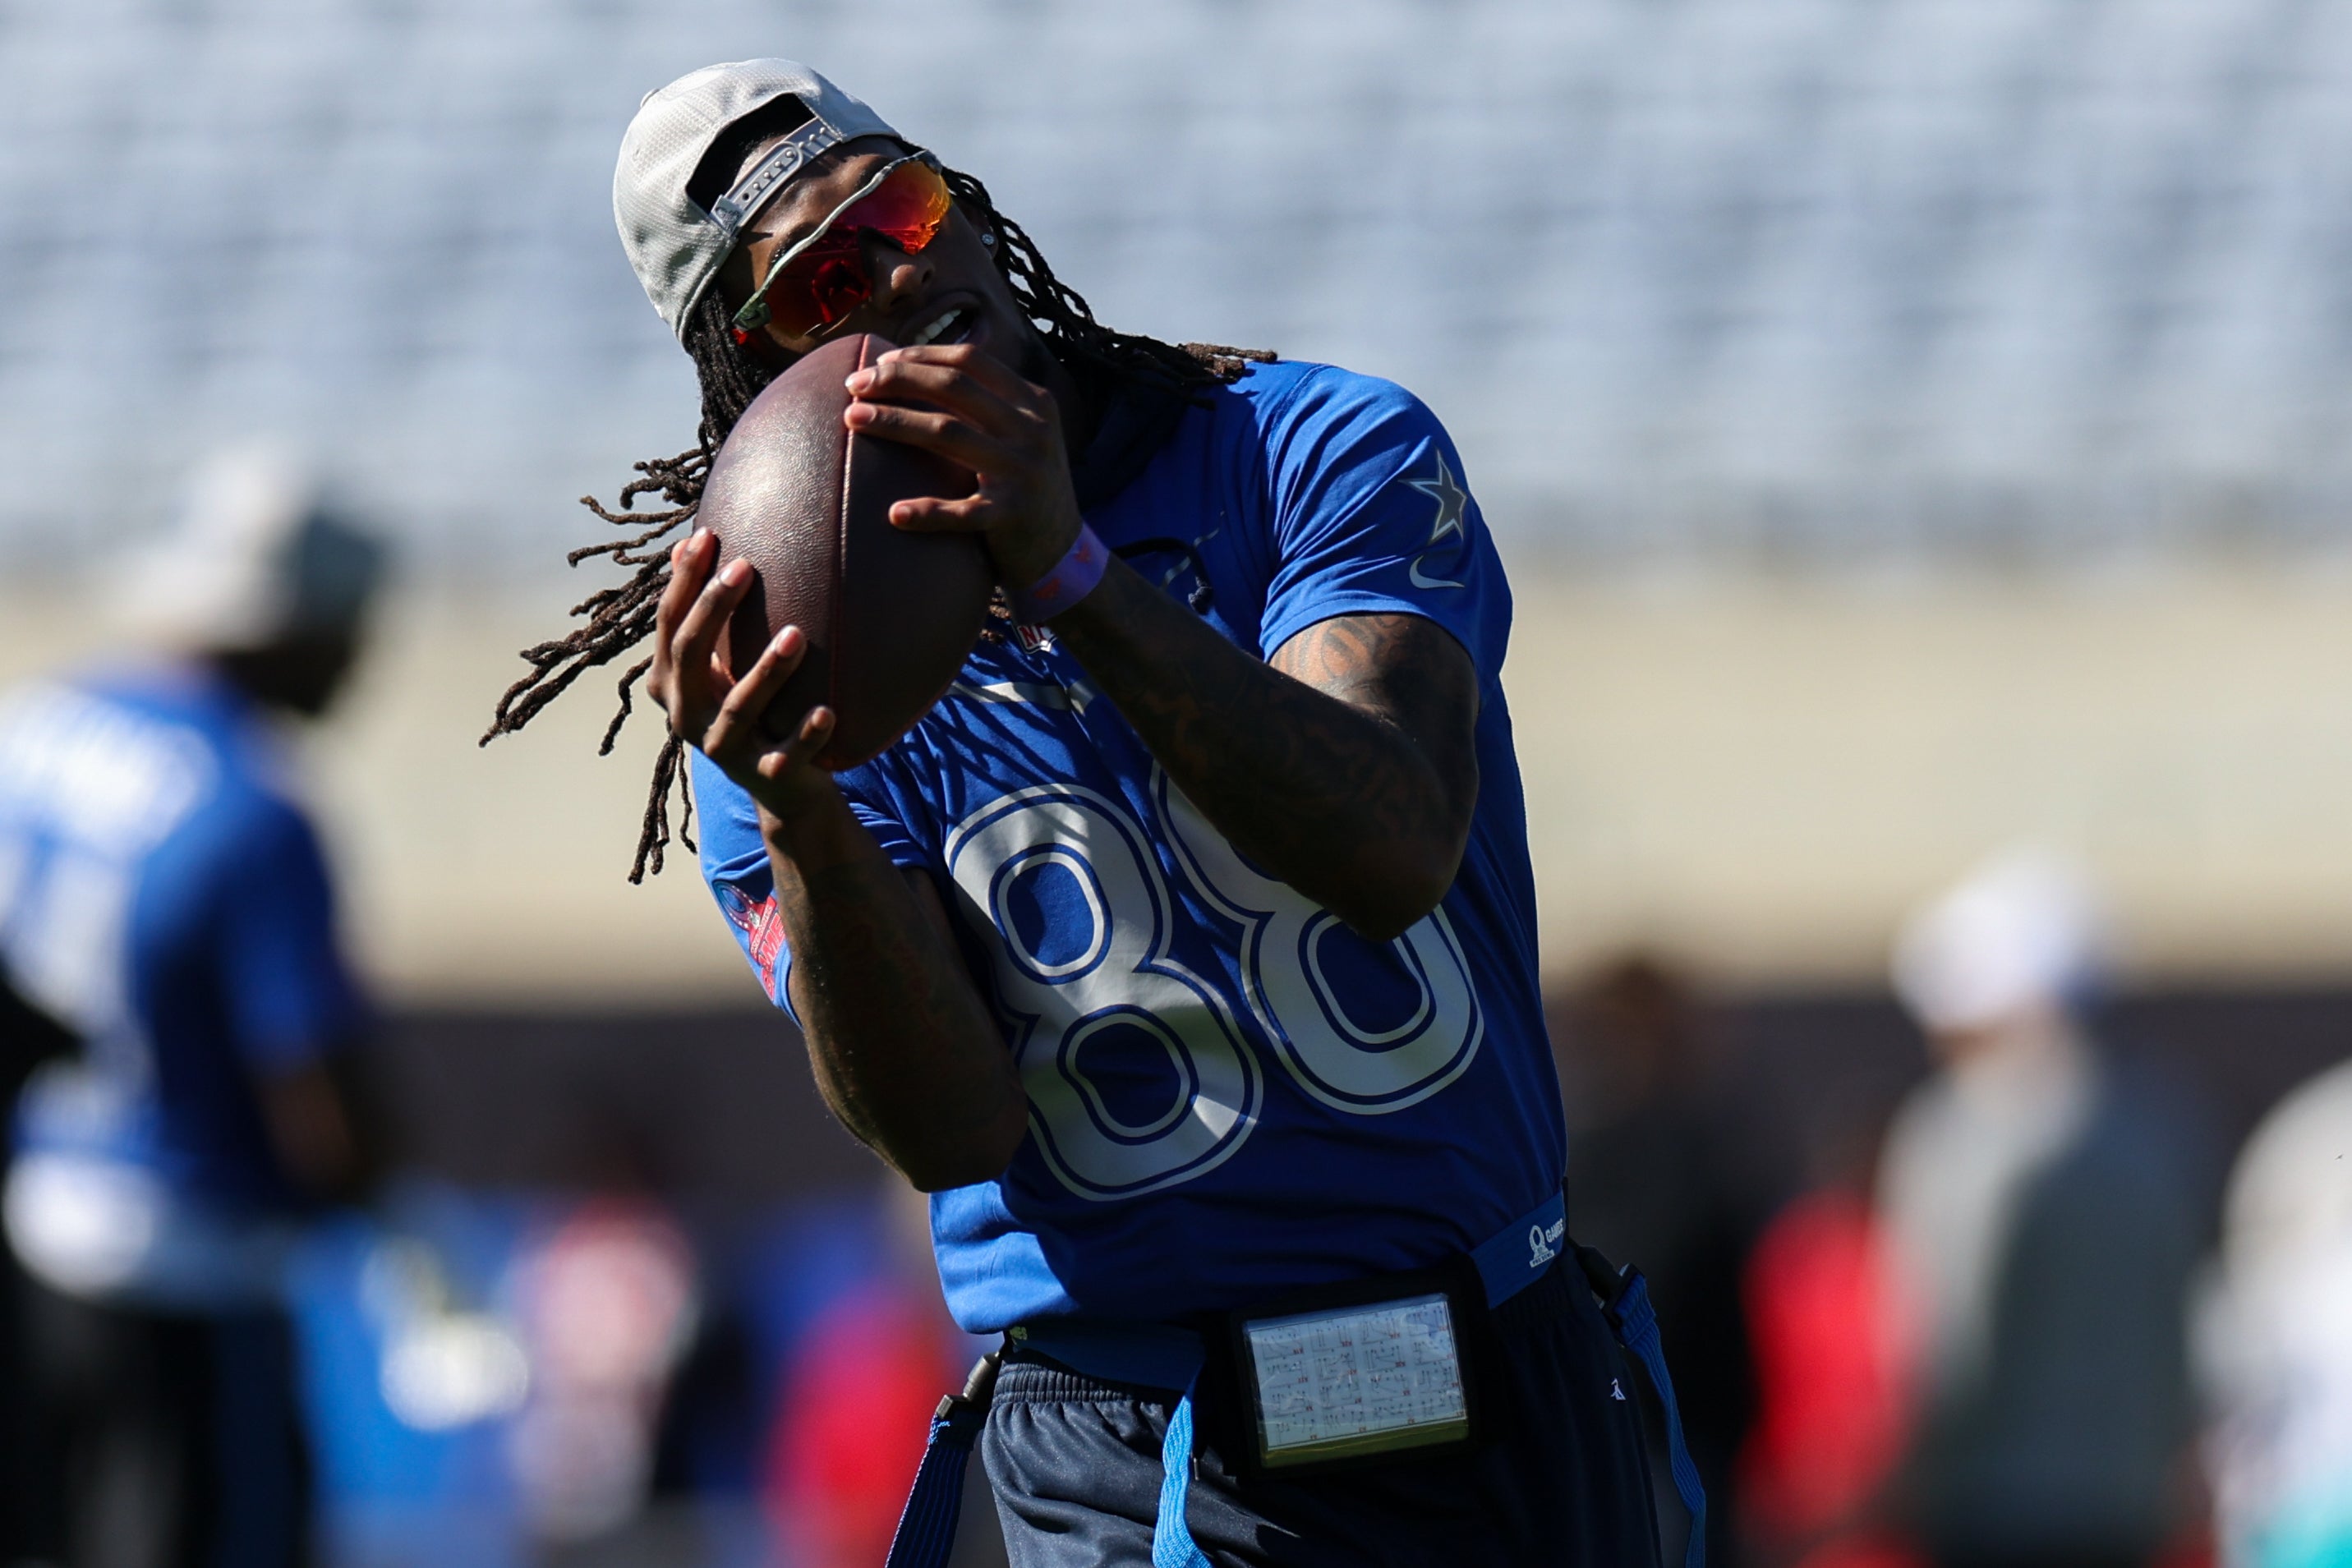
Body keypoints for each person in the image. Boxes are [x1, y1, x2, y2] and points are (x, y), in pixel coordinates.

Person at [486, 58, 1682, 1568]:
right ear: (747, 368)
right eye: (823, 284)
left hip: (1483, 1363)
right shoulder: (780, 670)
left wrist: (1073, 578)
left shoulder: (1307, 451)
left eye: (903, 208)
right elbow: (950, 1126)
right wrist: (799, 813)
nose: (901, 271)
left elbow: (1389, 849)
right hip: (1137, 1430)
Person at [0, 446, 387, 1568]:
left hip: (34, 1246)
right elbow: (315, 1099)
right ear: (289, 626)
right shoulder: (253, 803)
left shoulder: (38, 725)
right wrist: (387, 1206)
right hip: (188, 1277)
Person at [1876, 851, 2200, 1568]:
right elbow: (2181, 1322)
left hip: (1990, 1503)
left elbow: (1949, 1345)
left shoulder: (1957, 1130)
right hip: (2123, 1502)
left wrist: (1907, 1469)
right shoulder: (2156, 1123)